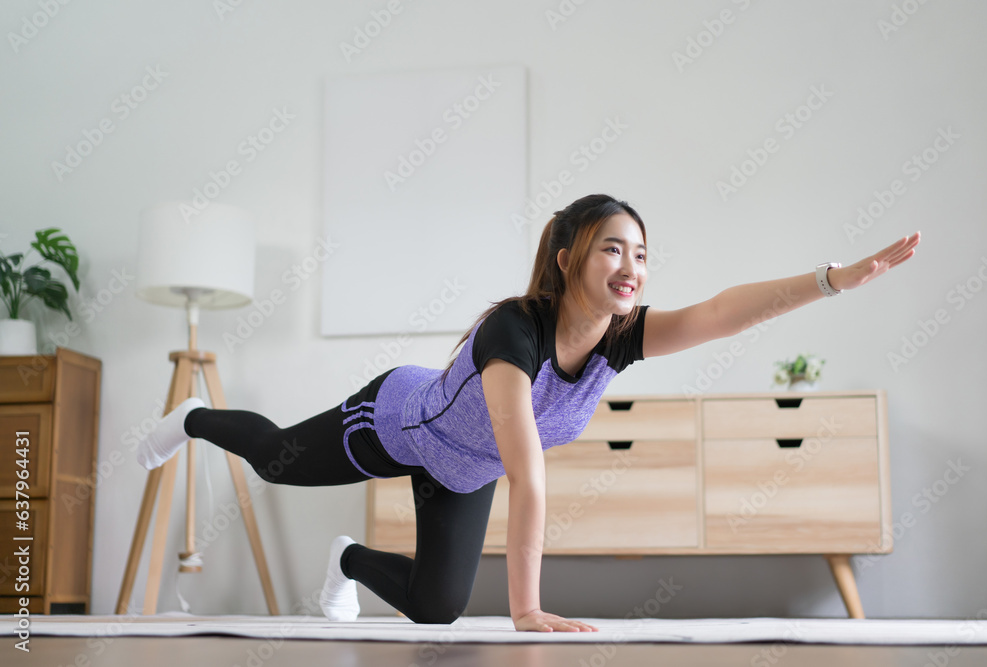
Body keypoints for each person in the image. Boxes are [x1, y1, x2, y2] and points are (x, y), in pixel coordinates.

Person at [136, 193, 920, 632]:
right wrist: (526, 608)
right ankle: (197, 418)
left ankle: (347, 558)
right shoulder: (514, 329)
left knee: (437, 609)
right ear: (568, 255)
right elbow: (526, 469)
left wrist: (833, 280)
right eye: (614, 248)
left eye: (641, 254)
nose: (631, 267)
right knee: (275, 458)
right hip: (394, 419)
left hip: (462, 466)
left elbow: (722, 311)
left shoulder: (621, 339)